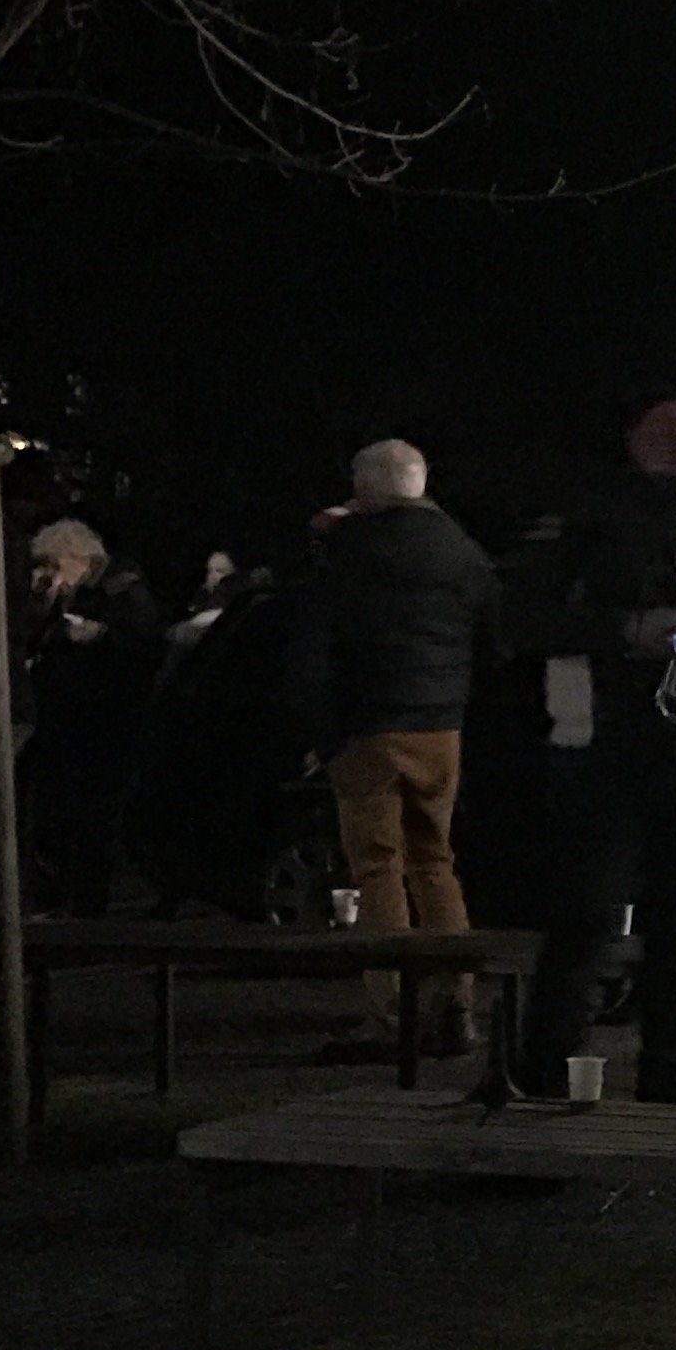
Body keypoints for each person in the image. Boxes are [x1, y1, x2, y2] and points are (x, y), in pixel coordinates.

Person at [521, 391, 676, 1102]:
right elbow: (530, 616)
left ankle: (670, 1080)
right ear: (635, 441)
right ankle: (545, 1081)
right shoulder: (592, 517)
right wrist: (631, 630)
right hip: (605, 746)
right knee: (584, 923)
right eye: (672, 431)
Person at [286, 440, 496, 1062]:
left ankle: (391, 1014)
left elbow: (311, 644)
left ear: (364, 488)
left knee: (378, 867)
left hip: (367, 725)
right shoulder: (461, 550)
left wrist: (315, 730)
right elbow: (490, 634)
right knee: (436, 860)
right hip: (441, 726)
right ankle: (456, 1003)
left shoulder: (345, 552)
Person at [22, 519, 160, 917]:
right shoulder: (68, 592)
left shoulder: (121, 588)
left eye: (54, 565)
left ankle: (88, 902)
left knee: (94, 816)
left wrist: (101, 636)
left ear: (76, 559)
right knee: (62, 813)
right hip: (69, 718)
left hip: (107, 719)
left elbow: (145, 644)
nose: (49, 575)